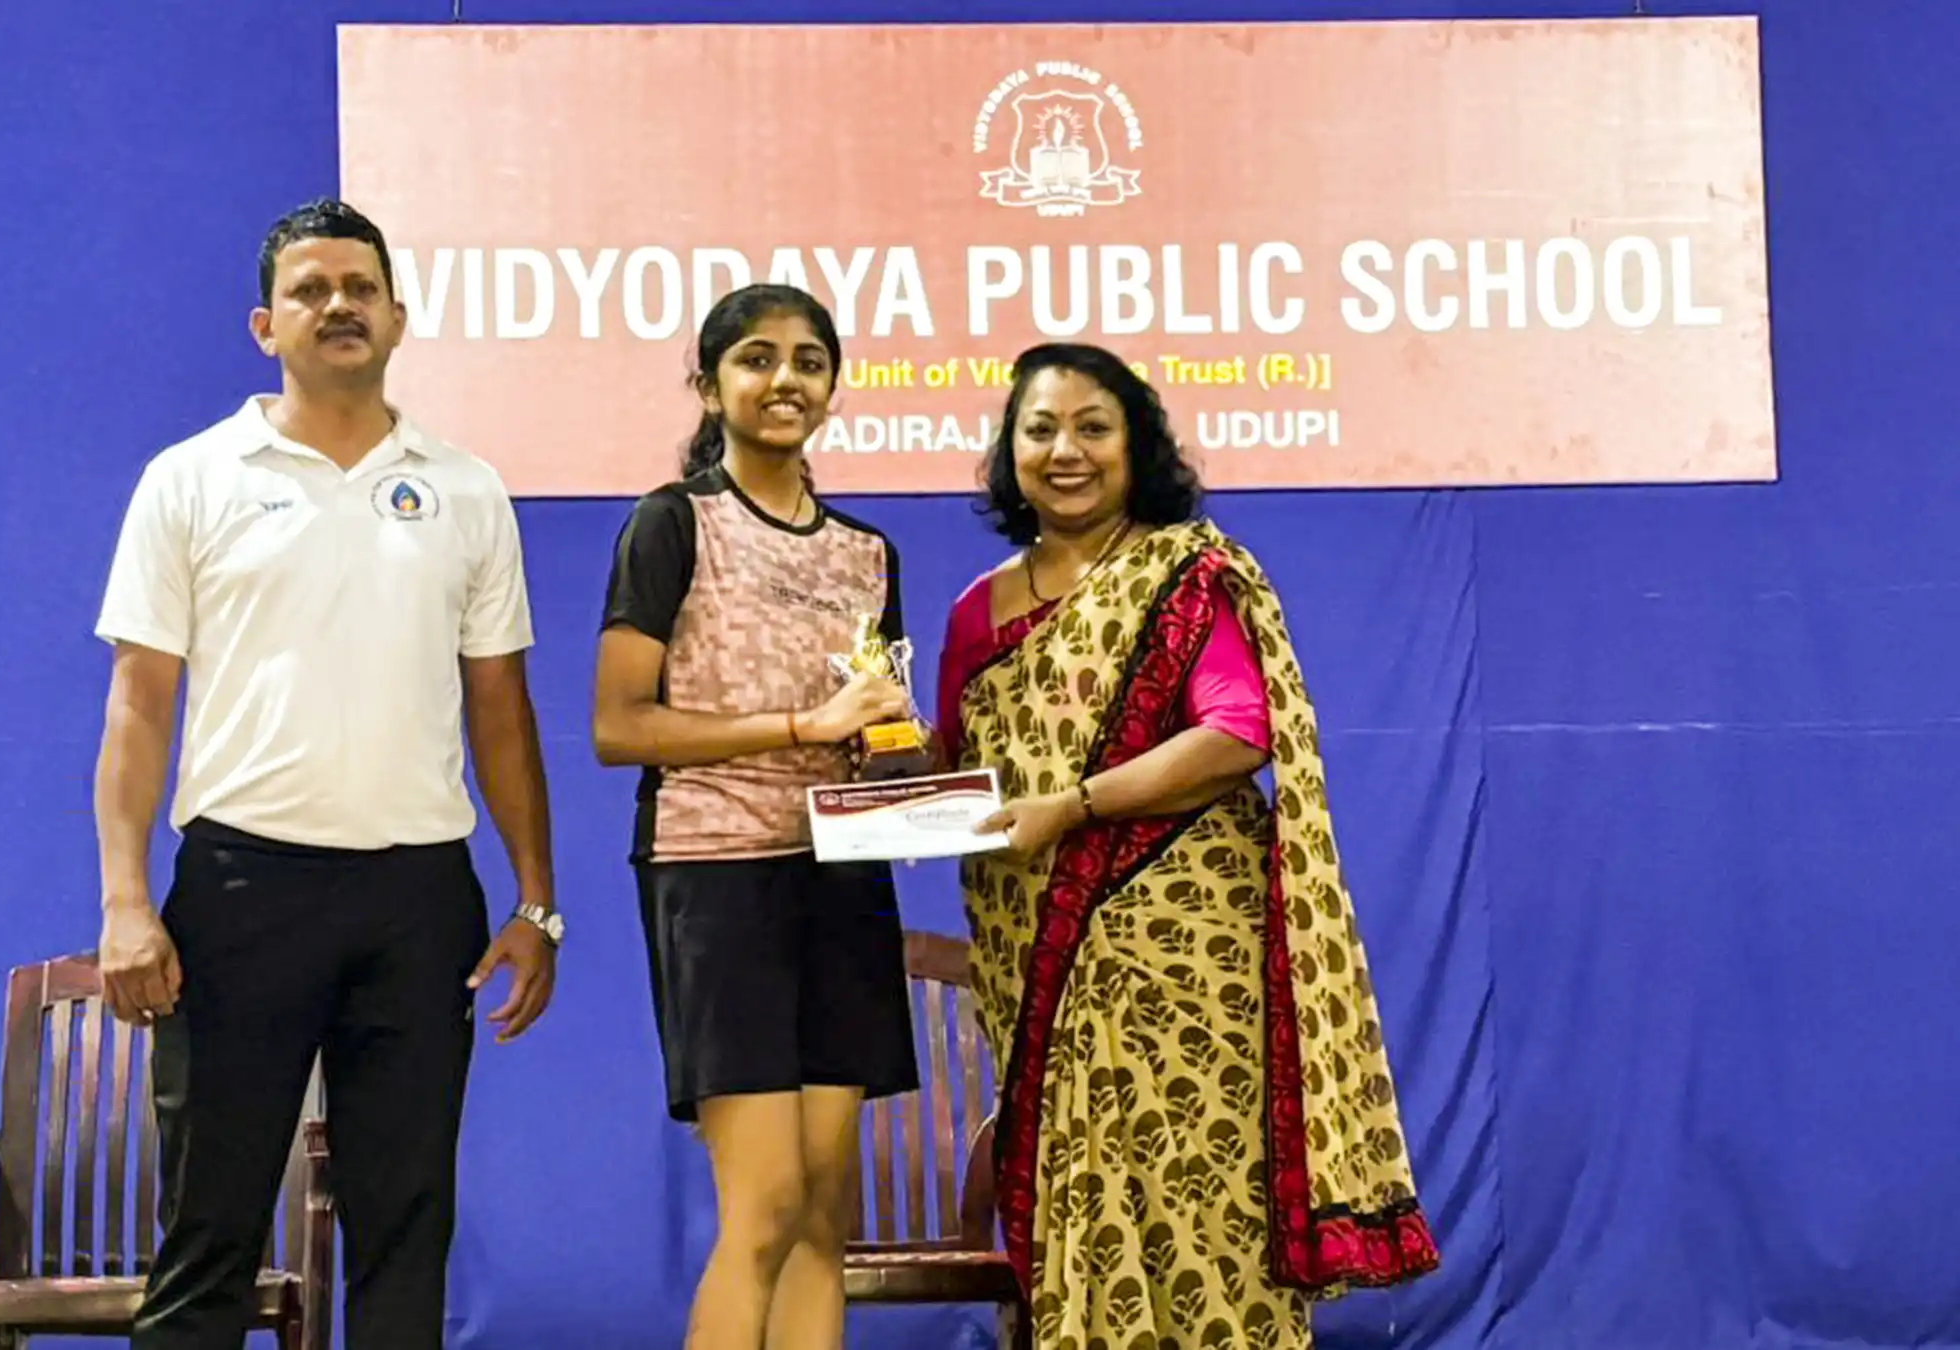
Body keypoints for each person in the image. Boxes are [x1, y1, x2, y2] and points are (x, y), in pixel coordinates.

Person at [90, 197, 562, 1350]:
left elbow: (500, 707)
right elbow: (140, 705)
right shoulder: (190, 478)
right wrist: (124, 901)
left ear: (399, 317)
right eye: (310, 290)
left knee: (406, 1230)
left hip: (417, 900)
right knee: (209, 1232)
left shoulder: (465, 488)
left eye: (359, 288)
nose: (337, 306)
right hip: (242, 892)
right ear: (266, 326)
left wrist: (536, 900)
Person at [935, 343, 1441, 1349]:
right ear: (1009, 451)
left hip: (1189, 951)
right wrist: (874, 778)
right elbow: (953, 768)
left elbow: (1235, 733)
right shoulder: (974, 613)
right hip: (1034, 950)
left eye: (1092, 427)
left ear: (1137, 449)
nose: (1064, 450)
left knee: (1205, 1202)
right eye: (1040, 429)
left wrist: (1073, 805)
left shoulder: (1184, 575)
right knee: (1075, 1200)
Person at [590, 283, 921, 1350]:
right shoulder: (673, 523)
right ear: (711, 383)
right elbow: (619, 726)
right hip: (717, 871)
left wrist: (907, 760)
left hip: (840, 875)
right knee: (766, 1206)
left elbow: (873, 730)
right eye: (758, 359)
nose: (786, 381)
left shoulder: (869, 553)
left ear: (833, 384)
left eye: (809, 361)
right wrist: (796, 723)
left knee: (825, 1211)